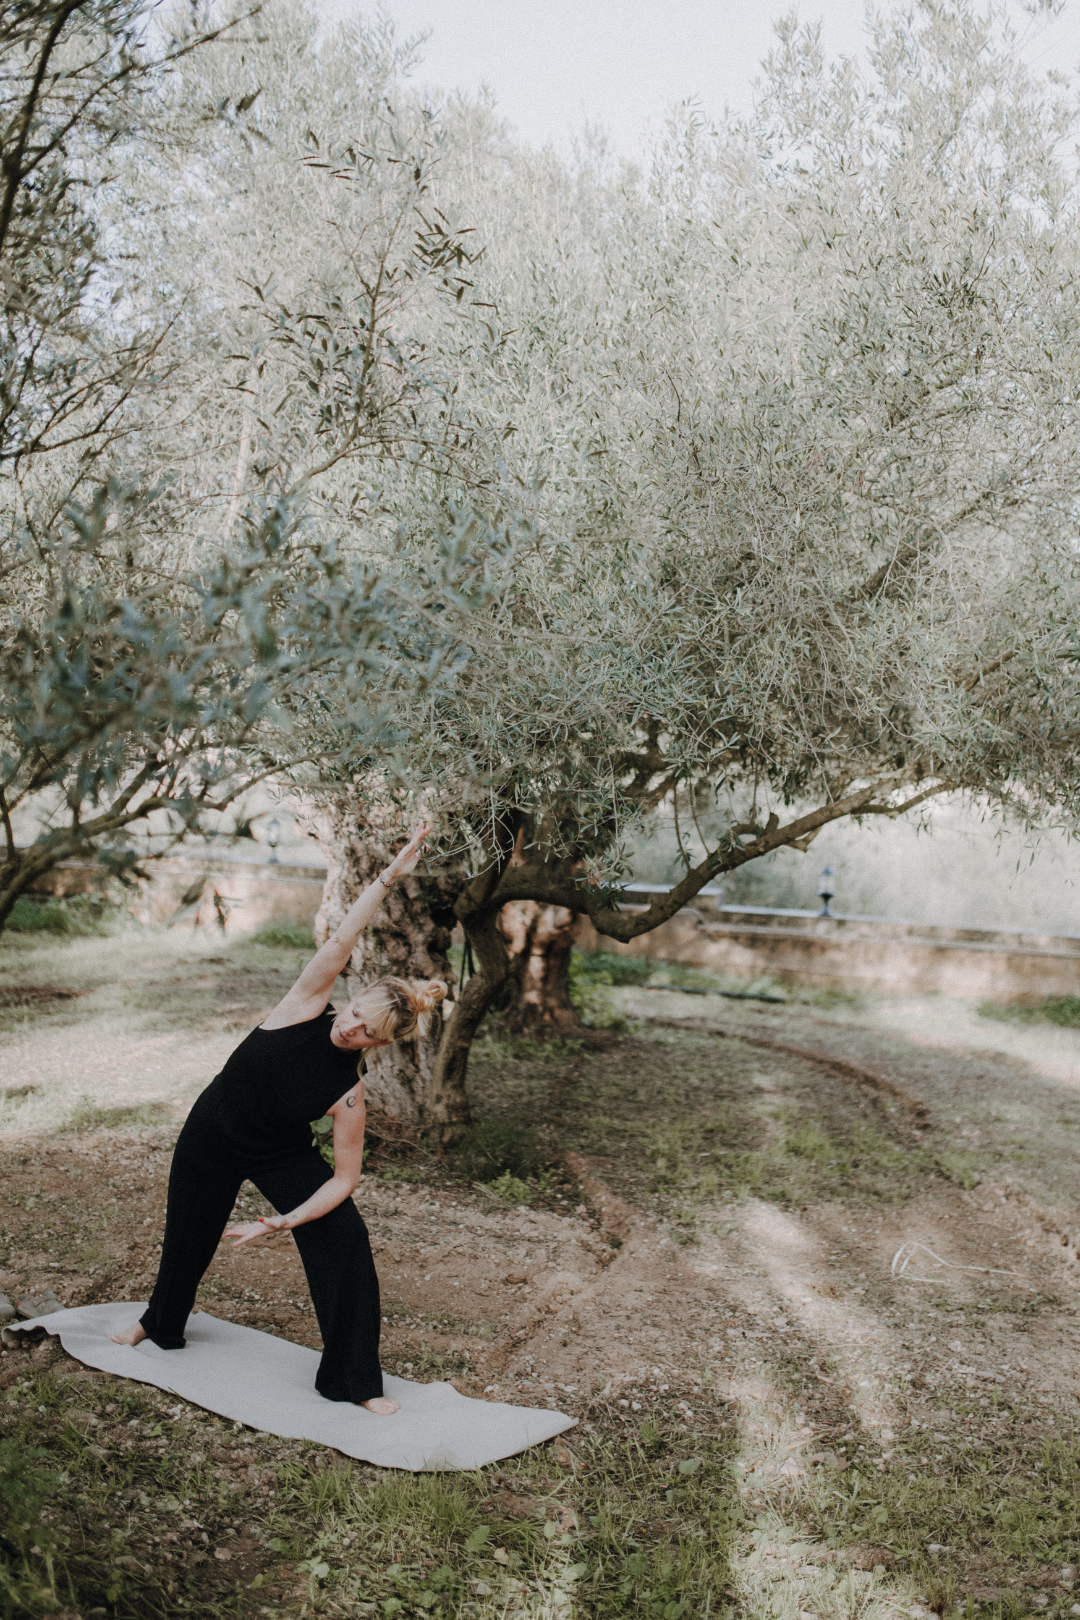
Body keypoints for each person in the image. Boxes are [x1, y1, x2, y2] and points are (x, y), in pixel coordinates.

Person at [110, 822, 446, 1417]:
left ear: (381, 1043)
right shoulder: (306, 1003)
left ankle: (354, 1380)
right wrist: (390, 876)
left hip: (278, 1151)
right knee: (187, 1236)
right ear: (353, 996)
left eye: (367, 1031)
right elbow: (344, 936)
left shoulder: (350, 1096)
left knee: (346, 1239)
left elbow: (344, 1182)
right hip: (212, 1131)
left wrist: (286, 1220)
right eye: (356, 1013)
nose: (350, 1028)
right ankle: (160, 1324)